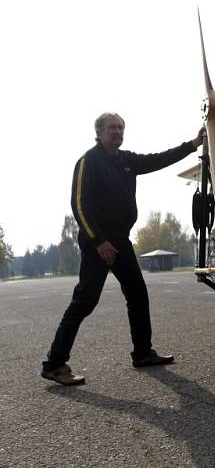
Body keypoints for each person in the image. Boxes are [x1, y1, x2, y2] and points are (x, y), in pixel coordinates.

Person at [41, 113, 205, 385]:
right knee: (85, 301)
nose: (117, 132)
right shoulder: (88, 162)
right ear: (99, 131)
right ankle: (54, 364)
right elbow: (80, 206)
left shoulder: (126, 160)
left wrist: (191, 145)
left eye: (121, 127)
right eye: (112, 128)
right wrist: (99, 241)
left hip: (121, 241)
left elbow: (157, 159)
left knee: (138, 294)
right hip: (99, 244)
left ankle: (142, 353)